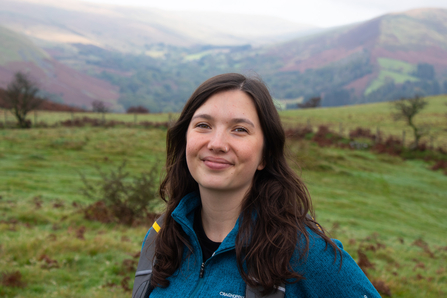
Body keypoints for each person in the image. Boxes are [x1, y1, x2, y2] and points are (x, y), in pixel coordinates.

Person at [134, 73, 381, 297]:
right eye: (203, 125)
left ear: (265, 154)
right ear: (185, 138)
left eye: (239, 129)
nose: (217, 143)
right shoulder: (162, 238)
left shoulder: (304, 253)